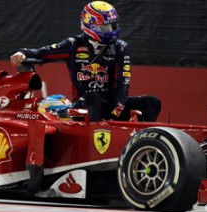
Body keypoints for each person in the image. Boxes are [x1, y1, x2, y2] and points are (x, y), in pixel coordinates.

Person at [10, 1, 161, 122]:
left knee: (152, 102)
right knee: (92, 96)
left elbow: (122, 85)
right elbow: (43, 53)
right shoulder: (73, 45)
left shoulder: (120, 48)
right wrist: (22, 53)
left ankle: (142, 140)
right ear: (91, 25)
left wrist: (115, 113)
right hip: (84, 104)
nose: (111, 30)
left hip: (113, 104)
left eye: (112, 26)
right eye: (105, 27)